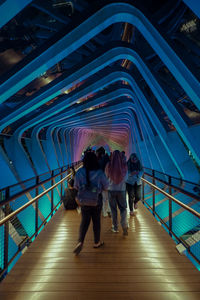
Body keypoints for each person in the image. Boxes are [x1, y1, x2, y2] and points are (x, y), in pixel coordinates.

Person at [73, 151, 109, 255]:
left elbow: (76, 186)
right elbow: (106, 186)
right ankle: (97, 242)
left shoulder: (79, 172)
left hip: (84, 201)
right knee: (96, 221)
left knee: (84, 222)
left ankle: (80, 241)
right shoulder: (99, 172)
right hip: (96, 200)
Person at [105, 150, 128, 235]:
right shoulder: (124, 166)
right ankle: (124, 224)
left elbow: (106, 177)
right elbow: (126, 179)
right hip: (121, 190)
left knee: (113, 210)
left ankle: (115, 227)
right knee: (123, 208)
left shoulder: (109, 165)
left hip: (111, 190)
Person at [96, 146, 110, 217]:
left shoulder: (100, 161)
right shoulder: (108, 159)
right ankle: (107, 210)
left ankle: (104, 211)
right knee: (107, 197)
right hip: (108, 181)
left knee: (103, 197)